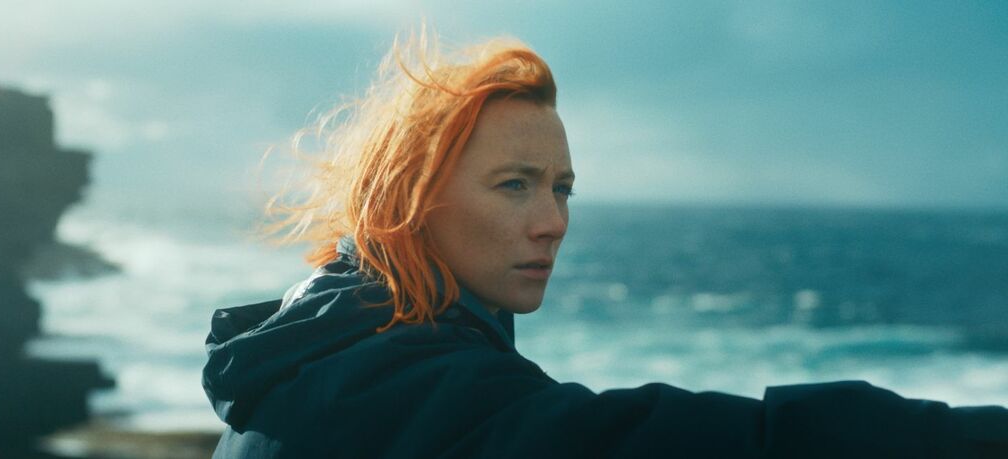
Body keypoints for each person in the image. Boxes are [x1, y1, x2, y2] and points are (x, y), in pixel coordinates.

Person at [203, 35, 1008, 458]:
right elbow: (660, 440)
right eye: (515, 184)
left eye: (562, 188)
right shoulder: (408, 388)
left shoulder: (312, 349)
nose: (552, 220)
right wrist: (960, 436)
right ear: (411, 197)